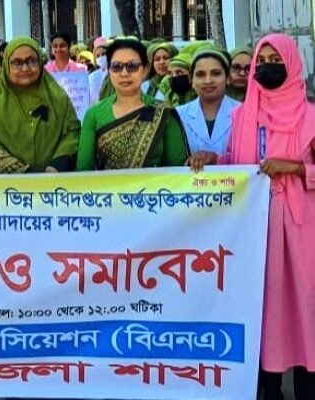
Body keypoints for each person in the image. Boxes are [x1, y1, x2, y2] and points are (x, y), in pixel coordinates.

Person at [187, 32, 315, 400]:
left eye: (277, 61)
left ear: (293, 65)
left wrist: (294, 168)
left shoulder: (310, 116)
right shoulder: (243, 116)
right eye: (263, 61)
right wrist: (212, 161)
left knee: (304, 311)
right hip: (255, 232)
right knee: (262, 311)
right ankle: (267, 388)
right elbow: (237, 166)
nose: (268, 68)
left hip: (301, 233)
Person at [77, 38, 189, 171]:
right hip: (107, 185)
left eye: (132, 66)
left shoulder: (163, 112)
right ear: (109, 71)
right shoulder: (94, 114)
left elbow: (177, 169)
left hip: (156, 184)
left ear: (145, 70)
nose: (124, 73)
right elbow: (83, 170)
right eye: (116, 67)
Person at [0, 37, 79, 173]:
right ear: (6, 66)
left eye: (31, 61)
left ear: (40, 63)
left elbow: (72, 133)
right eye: (17, 63)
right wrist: (21, 172)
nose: (25, 68)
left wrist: (56, 165)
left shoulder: (58, 98)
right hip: (7, 184)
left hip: (55, 181)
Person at [176, 49, 239, 156]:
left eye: (216, 73)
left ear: (228, 78)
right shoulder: (178, 115)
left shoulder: (244, 112)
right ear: (192, 80)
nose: (208, 81)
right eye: (200, 74)